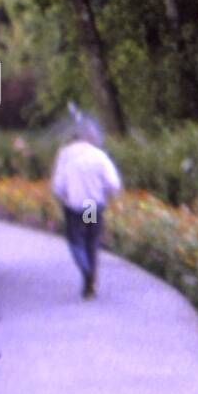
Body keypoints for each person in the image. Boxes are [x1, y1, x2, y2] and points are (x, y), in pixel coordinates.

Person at [51, 127, 121, 299]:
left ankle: (86, 272)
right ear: (92, 139)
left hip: (74, 205)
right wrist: (106, 193)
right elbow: (113, 184)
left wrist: (62, 196)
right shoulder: (99, 156)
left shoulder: (66, 155)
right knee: (91, 241)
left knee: (76, 241)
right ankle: (90, 283)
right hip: (92, 204)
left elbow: (58, 185)